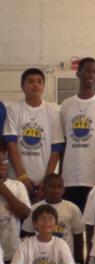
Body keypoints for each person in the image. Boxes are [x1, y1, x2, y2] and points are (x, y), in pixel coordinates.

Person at [60, 57, 95, 212]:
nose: (91, 75)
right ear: (78, 73)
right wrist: (60, 175)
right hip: (70, 177)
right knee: (73, 226)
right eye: (87, 70)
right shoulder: (66, 105)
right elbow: (63, 144)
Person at [4, 68, 64, 200]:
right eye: (30, 82)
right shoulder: (14, 109)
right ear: (22, 86)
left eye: (39, 82)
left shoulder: (53, 112)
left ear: (43, 87)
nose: (35, 85)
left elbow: (56, 149)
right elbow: (11, 144)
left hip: (43, 183)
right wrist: (22, 176)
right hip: (17, 180)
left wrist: (46, 181)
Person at [9, 205, 84, 264]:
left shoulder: (60, 243)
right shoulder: (27, 243)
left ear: (55, 224)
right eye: (43, 219)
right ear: (35, 224)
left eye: (50, 219)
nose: (47, 222)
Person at [22, 174, 84, 264]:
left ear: (64, 190)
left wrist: (79, 261)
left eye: (59, 187)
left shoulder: (72, 208)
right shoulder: (34, 209)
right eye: (51, 187)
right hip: (41, 258)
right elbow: (29, 234)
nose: (56, 191)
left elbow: (78, 236)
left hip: (65, 259)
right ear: (44, 189)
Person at [0, 151, 31, 264]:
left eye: (4, 161)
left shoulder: (17, 186)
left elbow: (25, 214)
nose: (2, 164)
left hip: (12, 253)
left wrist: (5, 191)